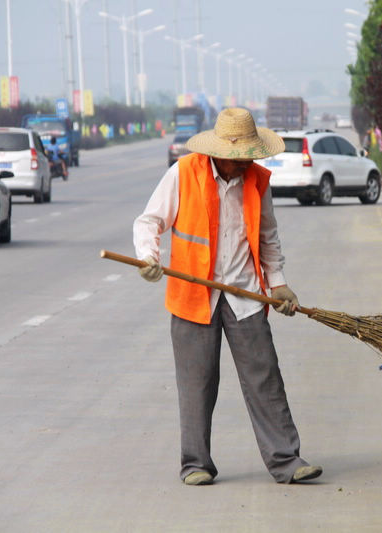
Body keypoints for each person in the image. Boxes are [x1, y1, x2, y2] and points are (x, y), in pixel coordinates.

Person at [132, 107, 321, 486]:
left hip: (246, 294)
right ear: (217, 152)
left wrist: (278, 282)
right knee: (196, 383)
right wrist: (148, 258)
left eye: (248, 156)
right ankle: (195, 464)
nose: (243, 163)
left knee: (265, 378)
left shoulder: (257, 181)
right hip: (192, 296)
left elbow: (267, 236)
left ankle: (286, 460)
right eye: (237, 158)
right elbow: (148, 222)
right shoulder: (183, 174)